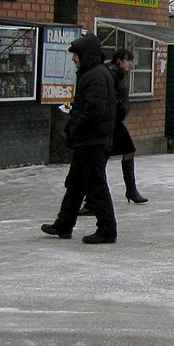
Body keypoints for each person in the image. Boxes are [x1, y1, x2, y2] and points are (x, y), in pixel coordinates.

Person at [41, 34, 118, 244]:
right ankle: (63, 225)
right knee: (75, 183)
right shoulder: (91, 74)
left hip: (93, 140)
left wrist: (75, 129)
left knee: (96, 186)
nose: (73, 59)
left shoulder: (96, 76)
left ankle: (107, 230)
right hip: (88, 139)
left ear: (85, 55)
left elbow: (94, 110)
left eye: (75, 55)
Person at [108, 47, 147, 203]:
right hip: (111, 121)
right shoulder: (112, 74)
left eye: (131, 60)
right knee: (102, 157)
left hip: (116, 121)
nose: (130, 63)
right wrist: (119, 107)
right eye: (128, 60)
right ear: (119, 61)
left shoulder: (119, 74)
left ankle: (131, 190)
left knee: (128, 150)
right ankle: (92, 198)